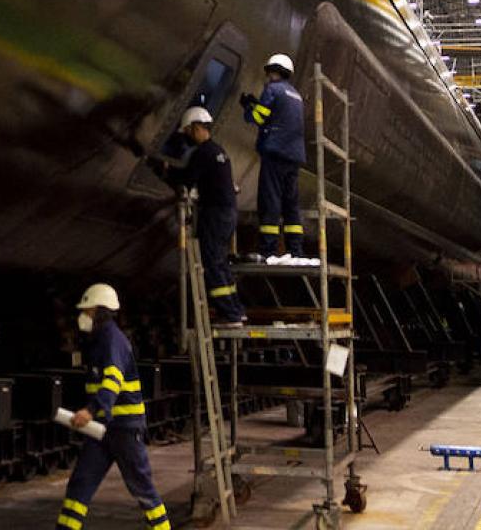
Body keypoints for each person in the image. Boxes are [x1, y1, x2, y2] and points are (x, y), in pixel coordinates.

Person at [60, 285, 171, 530]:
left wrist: (90, 410)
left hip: (124, 430)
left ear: (99, 311)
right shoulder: (99, 340)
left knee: (142, 488)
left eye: (87, 311)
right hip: (102, 429)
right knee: (80, 483)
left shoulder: (112, 340)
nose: (83, 316)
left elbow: (112, 381)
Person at [161, 107, 247, 326]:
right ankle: (236, 309)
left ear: (197, 128)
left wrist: (166, 172)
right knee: (221, 262)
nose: (188, 137)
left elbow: (187, 179)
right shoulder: (220, 151)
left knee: (212, 263)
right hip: (228, 214)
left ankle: (230, 314)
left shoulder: (203, 153)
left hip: (214, 215)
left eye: (189, 131)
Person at [240, 54, 309, 264]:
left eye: (269, 72)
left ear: (273, 71)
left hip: (275, 154)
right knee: (291, 205)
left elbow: (259, 117)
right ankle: (295, 250)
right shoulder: (296, 95)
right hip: (294, 157)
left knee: (270, 201)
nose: (267, 76)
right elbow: (280, 116)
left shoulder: (273, 89)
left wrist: (248, 107)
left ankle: (268, 250)